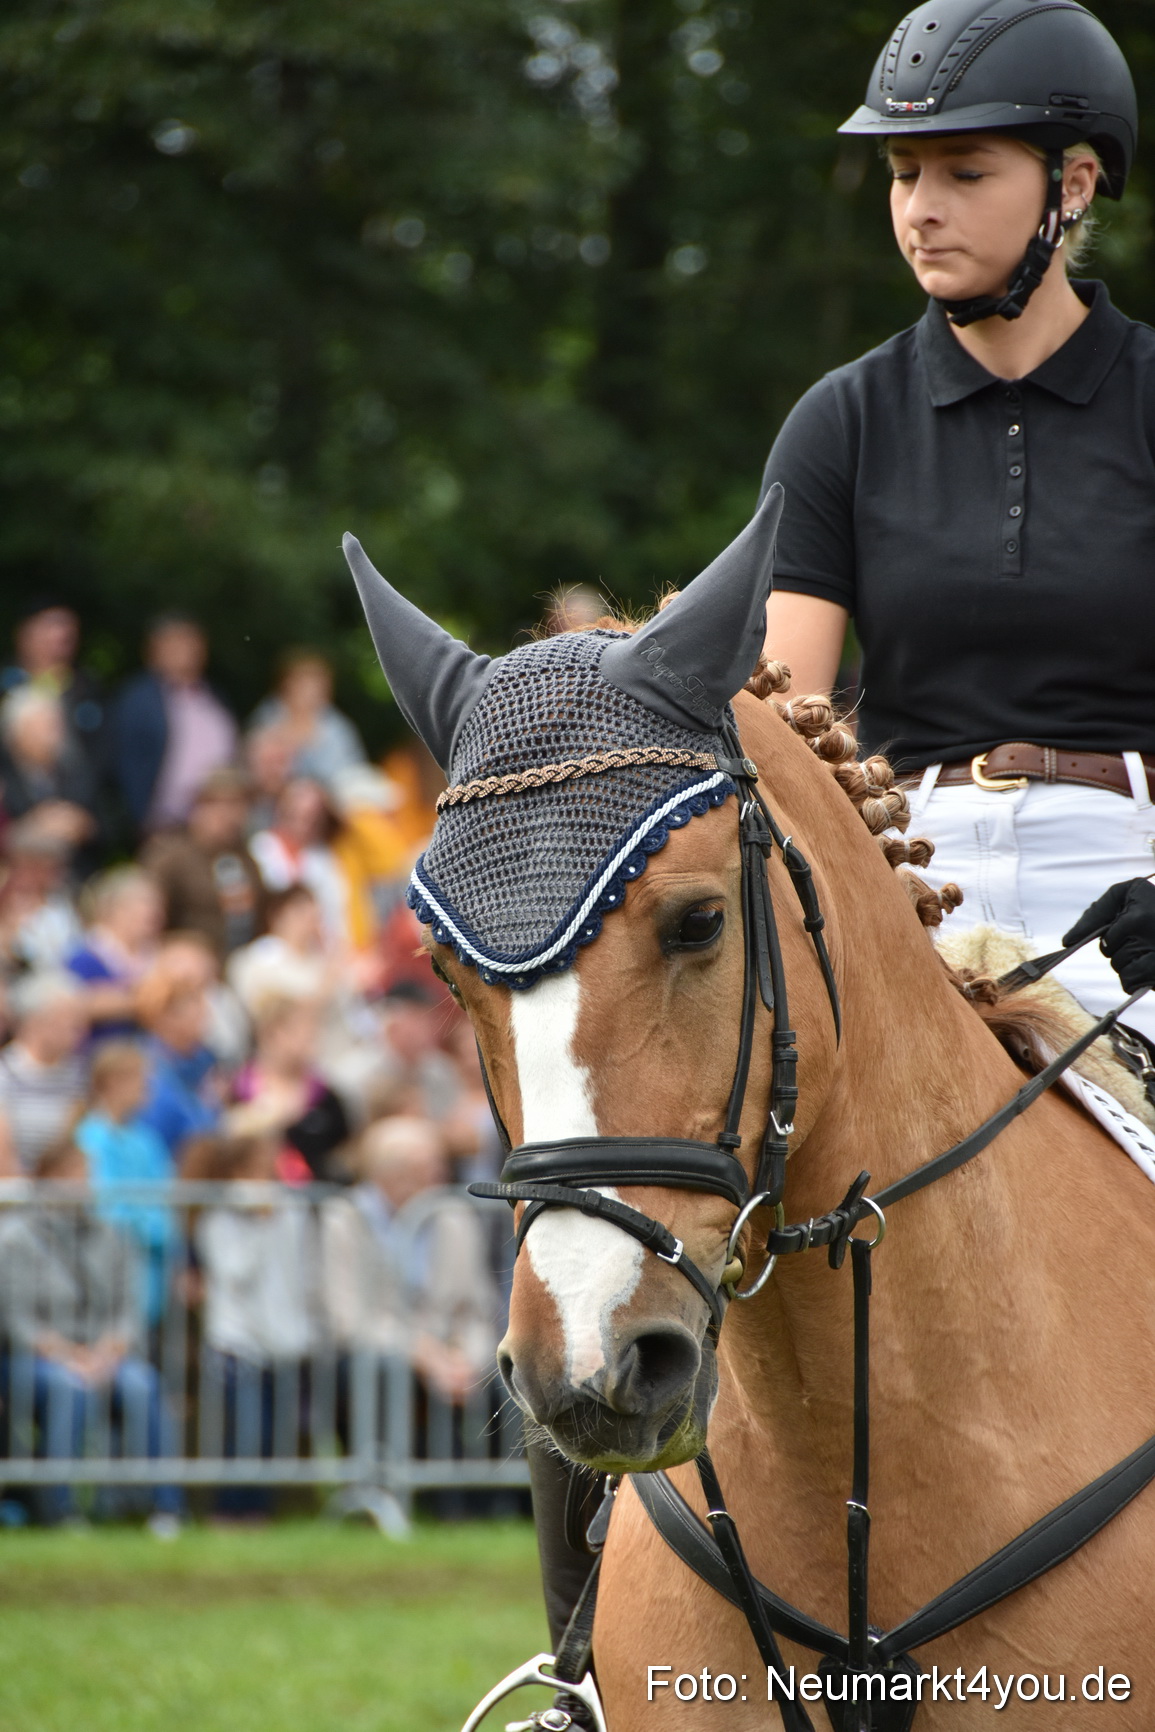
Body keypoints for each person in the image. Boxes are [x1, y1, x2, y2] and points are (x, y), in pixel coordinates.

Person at [759, 0, 1153, 1037]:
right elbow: (786, 726)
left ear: (1070, 186)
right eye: (904, 175)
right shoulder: (838, 421)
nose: (920, 209)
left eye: (965, 172)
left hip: (1131, 874)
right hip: (908, 878)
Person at [0, 1139, 183, 1531]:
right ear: (45, 1180)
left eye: (85, 1175)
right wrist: (65, 1354)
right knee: (68, 1388)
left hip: (103, 1354)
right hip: (37, 1358)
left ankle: (162, 1507)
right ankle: (60, 1510)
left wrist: (108, 1350)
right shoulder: (14, 1238)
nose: (82, 1185)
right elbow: (16, 1318)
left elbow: (127, 1309)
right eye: (71, 1175)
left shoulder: (111, 1234)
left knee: (142, 1384)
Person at [320, 1115, 497, 1403]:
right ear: (390, 1175)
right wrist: (420, 1353)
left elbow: (478, 1310)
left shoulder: (455, 1218)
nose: (441, 1175)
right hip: (379, 1356)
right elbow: (348, 1320)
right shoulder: (344, 1218)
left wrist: (467, 1361)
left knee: (499, 1380)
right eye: (428, 1168)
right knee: (387, 1376)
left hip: (450, 1355)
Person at [74, 1043, 177, 1328]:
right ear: (112, 1082)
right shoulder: (91, 1138)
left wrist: (158, 1227)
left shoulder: (147, 1140)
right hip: (108, 1276)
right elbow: (106, 1206)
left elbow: (168, 1197)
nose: (148, 1087)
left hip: (151, 1276)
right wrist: (150, 1225)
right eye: (140, 1078)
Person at [114, 614, 237, 835]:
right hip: (163, 828)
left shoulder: (214, 697)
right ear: (154, 649)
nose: (187, 650)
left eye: (193, 642)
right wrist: (139, 820)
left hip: (216, 829)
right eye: (177, 642)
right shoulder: (138, 700)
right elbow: (126, 765)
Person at [141, 769, 266, 959]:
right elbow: (148, 917)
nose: (229, 815)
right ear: (197, 809)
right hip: (187, 962)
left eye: (237, 805)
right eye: (218, 805)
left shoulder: (247, 858)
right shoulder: (172, 857)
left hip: (241, 961)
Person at [230, 993, 350, 1183]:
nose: (310, 1039)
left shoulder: (327, 1098)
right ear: (271, 1032)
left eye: (313, 1031)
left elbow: (344, 1152)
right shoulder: (236, 1090)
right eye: (299, 1030)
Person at [0, 598, 108, 787]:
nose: (60, 635)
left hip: (78, 802)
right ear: (24, 635)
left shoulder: (87, 687)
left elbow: (100, 754)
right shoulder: (6, 684)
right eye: (50, 627)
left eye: (67, 631)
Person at [0, 687, 104, 869]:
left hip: (77, 871)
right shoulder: (5, 778)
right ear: (15, 735)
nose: (52, 736)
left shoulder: (78, 770)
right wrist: (33, 826)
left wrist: (83, 824)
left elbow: (107, 825)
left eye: (55, 726)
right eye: (42, 727)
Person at [0, 972, 88, 1176]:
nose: (78, 1028)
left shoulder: (79, 1076)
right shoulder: (4, 1072)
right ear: (36, 1021)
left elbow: (75, 1145)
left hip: (61, 1196)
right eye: (68, 1018)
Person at [65, 865, 165, 1039]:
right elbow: (75, 1004)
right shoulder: (86, 955)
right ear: (115, 908)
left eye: (157, 905)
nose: (155, 912)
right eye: (144, 903)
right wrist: (142, 999)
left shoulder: (156, 954)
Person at [249, 776, 350, 943]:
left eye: (313, 817)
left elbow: (337, 913)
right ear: (282, 809)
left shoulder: (323, 859)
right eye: (297, 813)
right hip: (269, 944)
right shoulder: (259, 849)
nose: (304, 822)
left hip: (315, 949)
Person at [135, 967, 222, 1160]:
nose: (204, 1013)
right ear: (164, 1016)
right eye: (194, 1005)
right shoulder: (144, 1066)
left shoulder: (205, 1060)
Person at [248, 650, 366, 790]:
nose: (310, 692)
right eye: (304, 684)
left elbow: (352, 777)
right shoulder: (266, 719)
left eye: (317, 685)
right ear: (286, 685)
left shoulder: (338, 729)